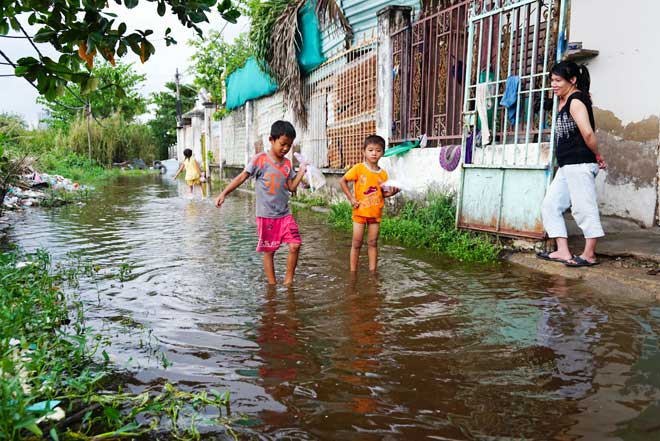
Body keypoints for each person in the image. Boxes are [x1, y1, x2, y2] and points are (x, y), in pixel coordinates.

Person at [214, 120, 307, 285]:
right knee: (269, 251)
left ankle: (288, 282)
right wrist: (224, 193)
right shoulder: (260, 160)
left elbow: (292, 187)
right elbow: (243, 176)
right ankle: (272, 285)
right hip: (266, 216)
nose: (285, 149)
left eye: (289, 146)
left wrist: (301, 172)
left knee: (295, 245)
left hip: (285, 215)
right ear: (271, 140)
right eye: (283, 144)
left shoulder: (287, 164)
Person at [538, 61, 607, 267]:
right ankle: (563, 251)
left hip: (580, 163)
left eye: (558, 80)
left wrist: (597, 155)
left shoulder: (576, 100)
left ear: (573, 80)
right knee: (550, 205)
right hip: (568, 165)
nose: (553, 84)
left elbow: (587, 132)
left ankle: (589, 255)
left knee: (583, 208)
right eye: (552, 80)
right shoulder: (564, 99)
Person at [339, 135, 399, 272]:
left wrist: (393, 193)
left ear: (382, 153)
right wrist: (351, 198)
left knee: (372, 243)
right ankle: (353, 272)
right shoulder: (359, 168)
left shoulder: (383, 175)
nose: (374, 153)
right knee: (356, 243)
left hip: (375, 214)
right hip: (360, 213)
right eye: (370, 150)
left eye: (378, 150)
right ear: (364, 152)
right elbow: (342, 181)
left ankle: (373, 272)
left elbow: (384, 194)